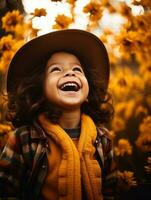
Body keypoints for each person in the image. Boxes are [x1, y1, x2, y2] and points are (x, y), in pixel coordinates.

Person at [0, 29, 117, 200]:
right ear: (39, 89)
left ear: (88, 89)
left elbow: (111, 192)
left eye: (77, 69)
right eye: (56, 69)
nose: (70, 73)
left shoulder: (104, 140)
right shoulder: (23, 139)